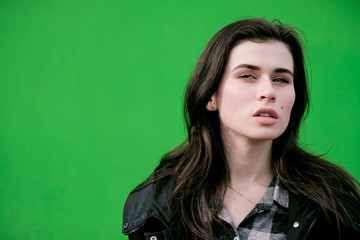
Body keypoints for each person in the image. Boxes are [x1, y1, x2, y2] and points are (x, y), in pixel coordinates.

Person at [122, 18, 360, 240]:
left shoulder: (331, 204)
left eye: (281, 79)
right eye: (248, 76)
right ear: (211, 95)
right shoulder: (158, 202)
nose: (268, 91)